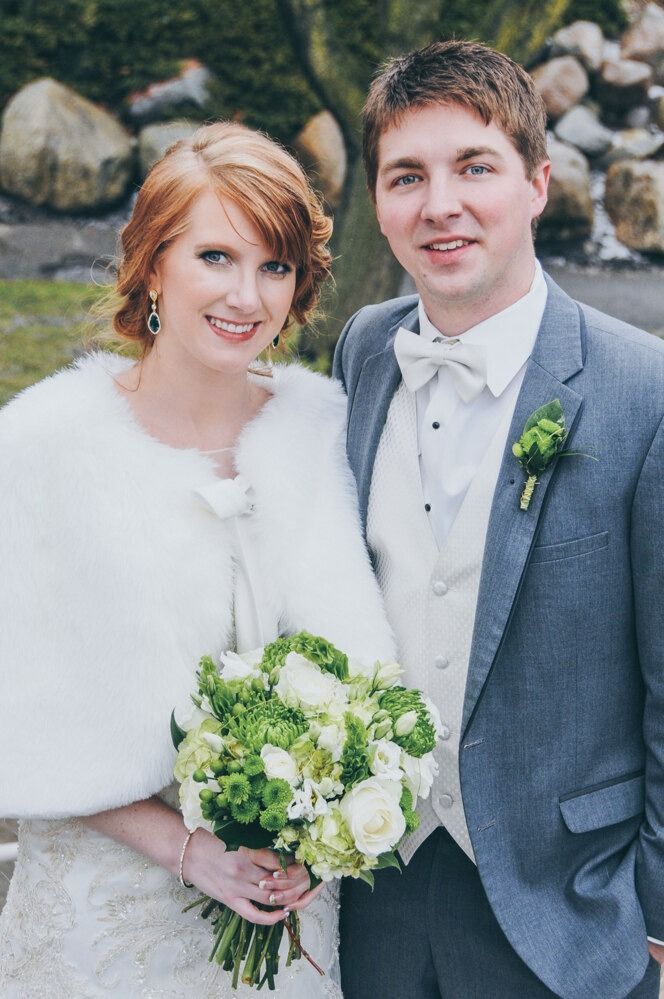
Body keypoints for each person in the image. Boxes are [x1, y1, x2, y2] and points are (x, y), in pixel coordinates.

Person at [0, 121, 394, 998]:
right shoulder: (42, 445)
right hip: (107, 925)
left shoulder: (322, 427)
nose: (246, 295)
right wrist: (190, 851)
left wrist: (324, 837)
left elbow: (366, 678)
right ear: (151, 265)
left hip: (288, 926)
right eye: (215, 256)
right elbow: (27, 718)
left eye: (275, 266)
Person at [334, 39, 664, 999]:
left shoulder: (643, 391)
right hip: (376, 891)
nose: (440, 205)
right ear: (380, 203)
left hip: (570, 913)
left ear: (538, 183)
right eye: (407, 176)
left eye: (474, 167)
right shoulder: (363, 350)